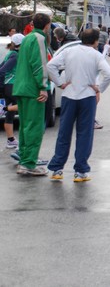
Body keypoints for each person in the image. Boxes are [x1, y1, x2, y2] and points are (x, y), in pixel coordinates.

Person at [46, 28, 110, 182]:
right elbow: (109, 74)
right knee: (84, 134)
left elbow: (51, 66)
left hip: (69, 95)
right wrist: (99, 88)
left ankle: (57, 168)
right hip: (88, 97)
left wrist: (60, 83)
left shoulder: (70, 51)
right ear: (96, 41)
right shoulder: (96, 55)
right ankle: (80, 171)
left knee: (64, 132)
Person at [13, 13, 52, 176]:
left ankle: (24, 161)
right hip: (32, 90)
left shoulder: (27, 38)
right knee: (34, 128)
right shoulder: (39, 39)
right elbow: (40, 65)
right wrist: (43, 86)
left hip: (21, 87)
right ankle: (28, 163)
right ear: (47, 25)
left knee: (25, 127)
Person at [0, 33, 24, 149]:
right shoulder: (15, 55)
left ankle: (10, 140)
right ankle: (3, 108)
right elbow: (2, 70)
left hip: (8, 86)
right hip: (11, 85)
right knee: (24, 105)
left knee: (10, 115)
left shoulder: (11, 53)